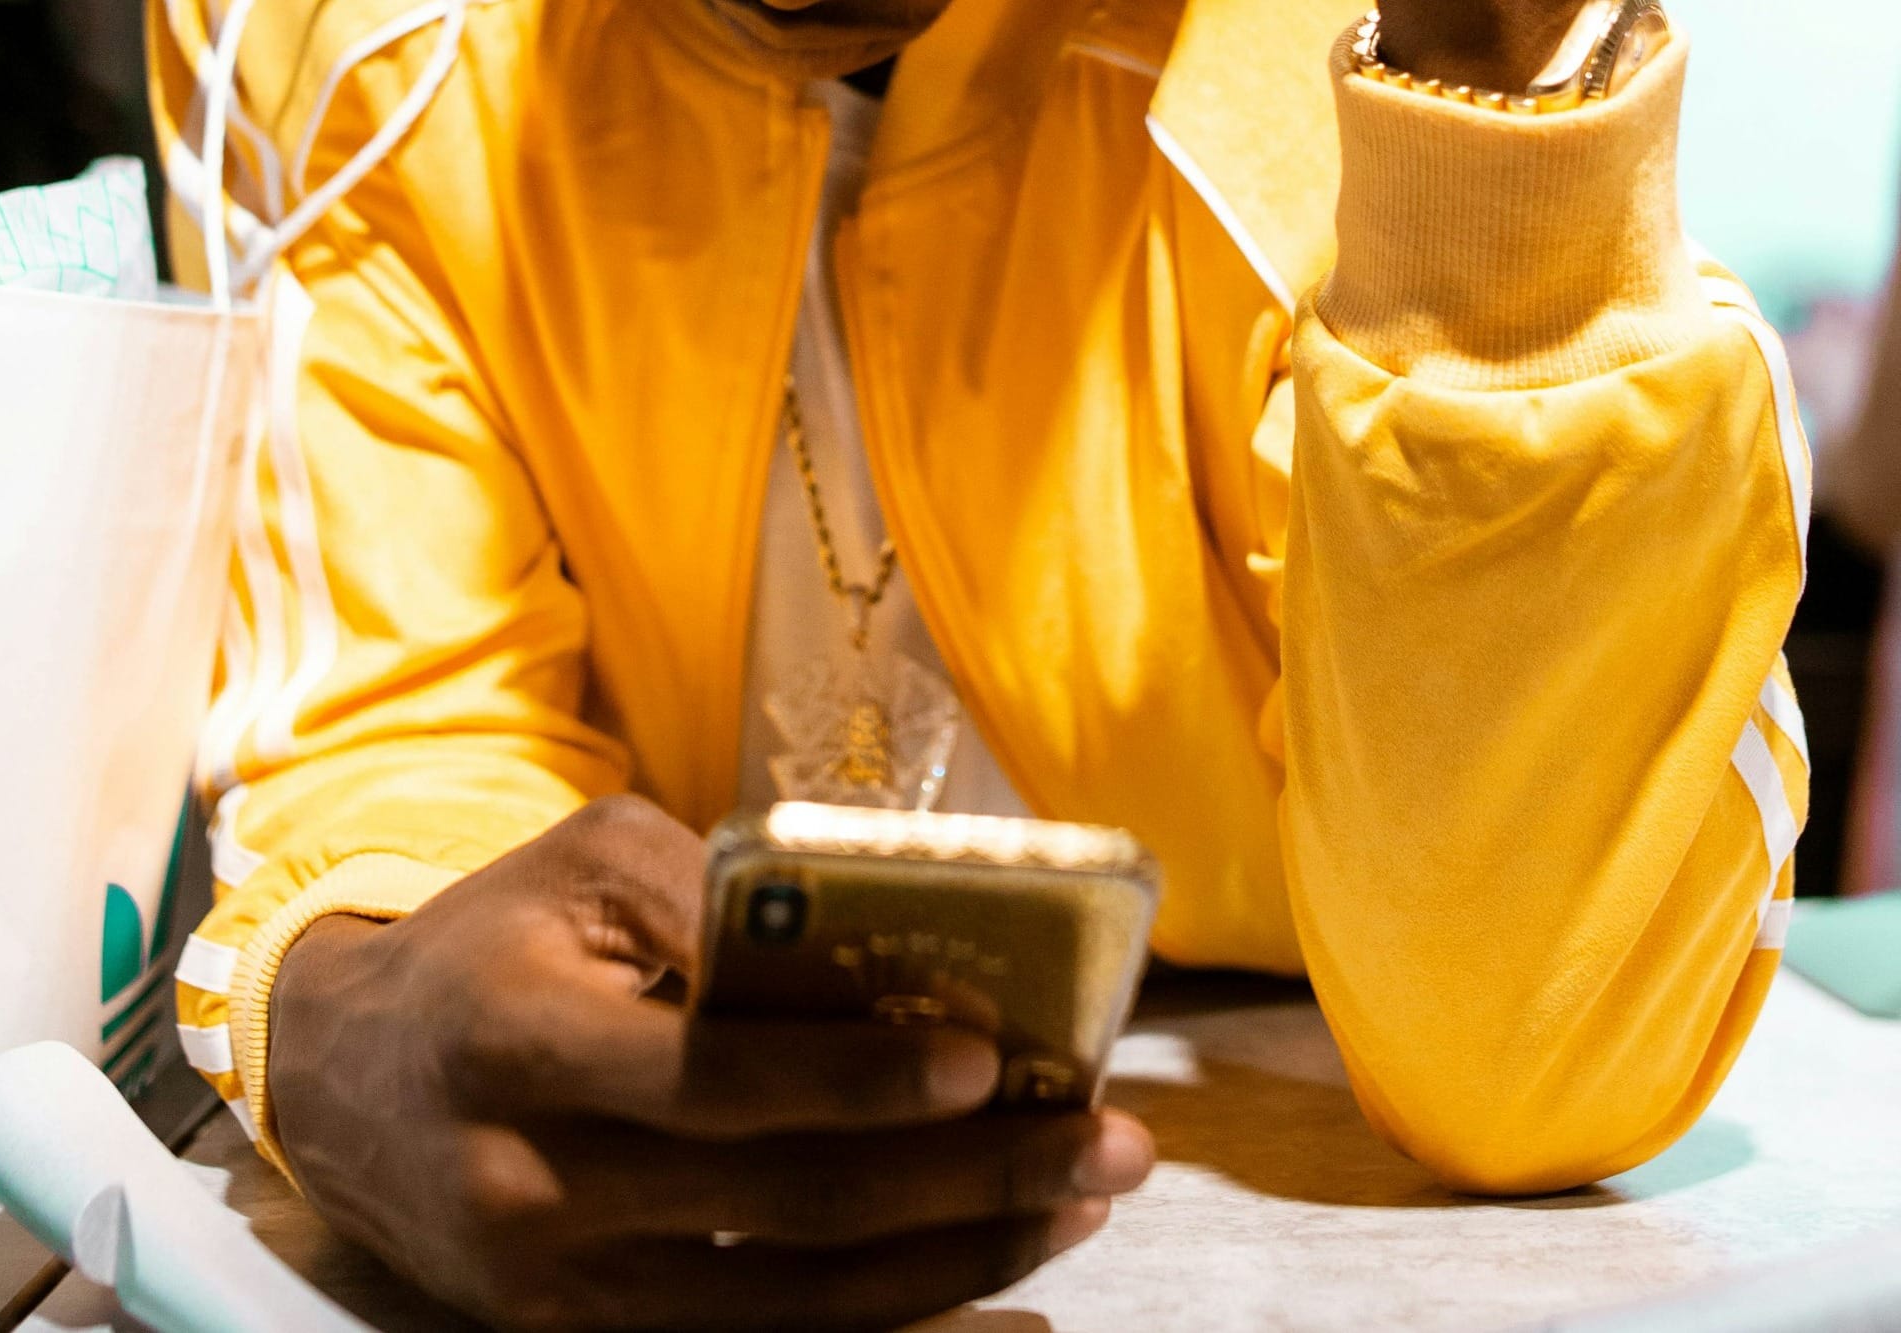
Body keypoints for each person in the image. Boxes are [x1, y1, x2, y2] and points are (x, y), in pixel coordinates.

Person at [148, 0, 1812, 1327]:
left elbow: (1537, 1038)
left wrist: (1494, 67)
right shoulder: (334, 30)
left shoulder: (1353, 43)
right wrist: (338, 984)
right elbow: (391, 729)